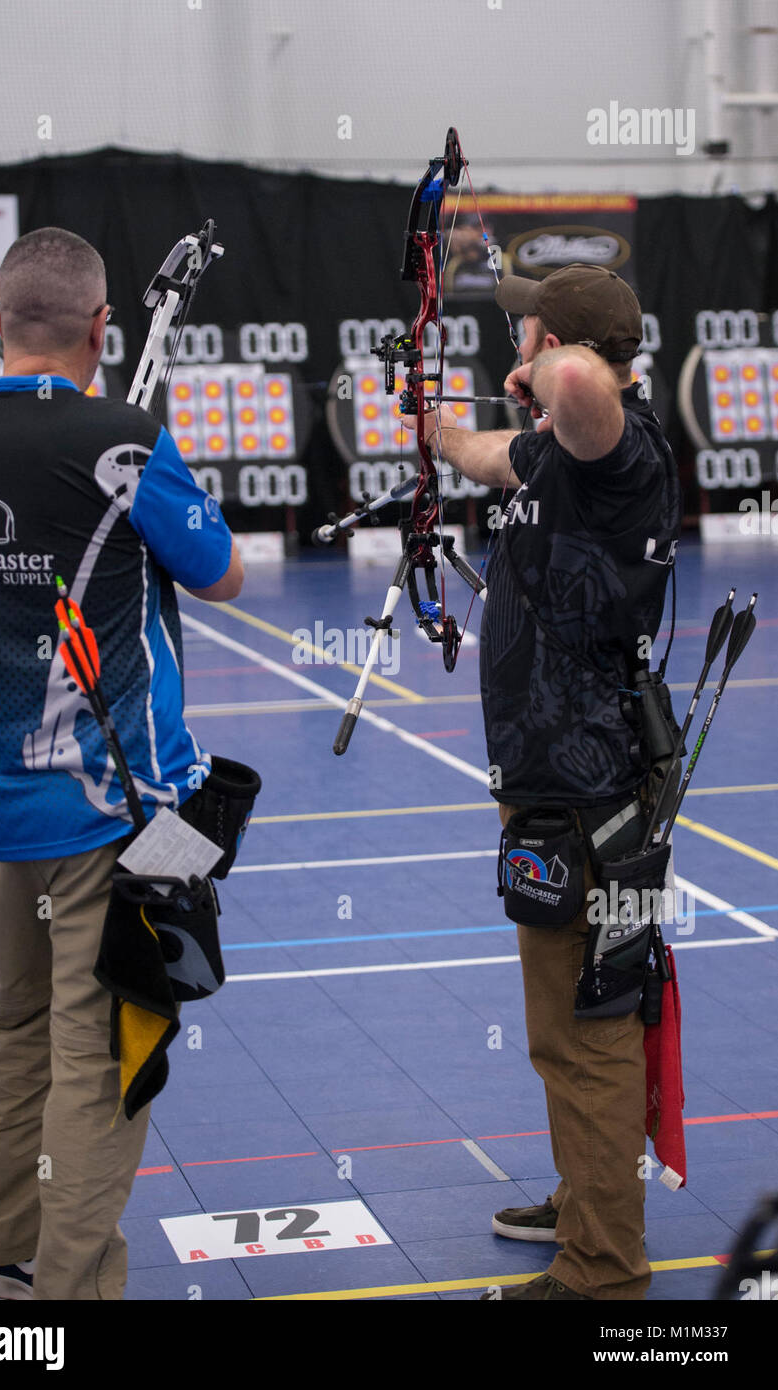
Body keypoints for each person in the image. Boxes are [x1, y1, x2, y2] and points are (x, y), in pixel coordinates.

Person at [0, 227, 243, 1300]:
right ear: (104, 329)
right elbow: (225, 572)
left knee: (13, 1026)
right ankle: (68, 1298)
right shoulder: (124, 442)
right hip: (114, 816)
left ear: (0, 324)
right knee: (100, 1052)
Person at [406, 264, 681, 1300]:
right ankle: (586, 1199)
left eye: (525, 334)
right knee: (565, 1026)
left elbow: (577, 387)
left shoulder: (615, 446)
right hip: (559, 790)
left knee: (588, 1034)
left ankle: (603, 1268)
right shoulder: (557, 457)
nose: (514, 356)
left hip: (592, 793)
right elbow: (486, 452)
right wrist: (435, 430)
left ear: (562, 346)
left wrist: (549, 358)